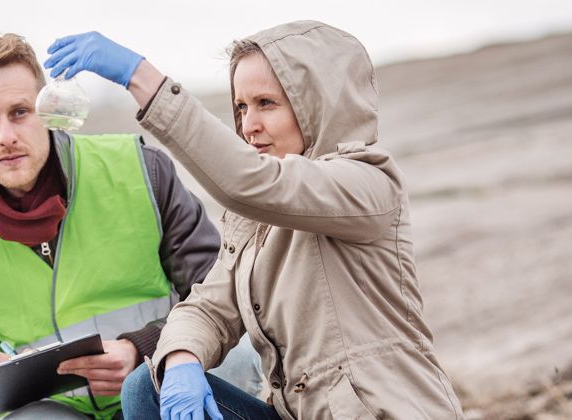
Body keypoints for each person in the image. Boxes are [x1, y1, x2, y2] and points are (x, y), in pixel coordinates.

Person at [44, 21, 465, 419]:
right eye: (241, 107)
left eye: (267, 104)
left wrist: (140, 77)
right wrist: (181, 358)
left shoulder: (367, 182)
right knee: (146, 388)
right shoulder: (258, 222)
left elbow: (250, 182)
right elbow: (209, 307)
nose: (249, 125)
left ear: (318, 102)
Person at [0, 33, 261, 419]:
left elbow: (219, 291)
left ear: (46, 109)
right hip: (54, 407)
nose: (6, 136)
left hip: (159, 377)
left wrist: (141, 348)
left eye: (19, 112)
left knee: (237, 360)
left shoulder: (140, 170)